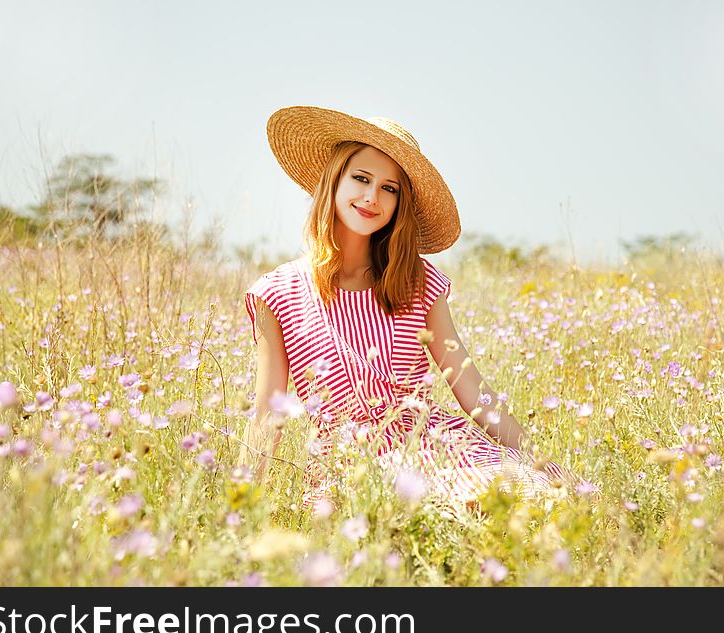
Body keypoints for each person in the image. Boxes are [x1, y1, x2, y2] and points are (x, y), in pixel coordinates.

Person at [241, 105, 581, 509]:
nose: (372, 197)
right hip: (353, 467)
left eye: (390, 188)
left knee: (533, 495)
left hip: (439, 445)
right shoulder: (277, 293)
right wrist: (237, 511)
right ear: (334, 180)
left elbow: (472, 391)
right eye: (361, 178)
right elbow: (267, 414)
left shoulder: (418, 283)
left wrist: (541, 462)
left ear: (400, 204)